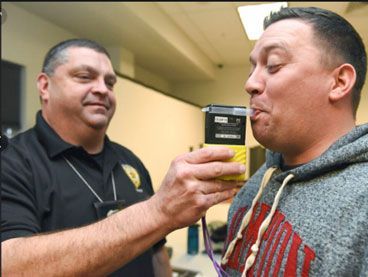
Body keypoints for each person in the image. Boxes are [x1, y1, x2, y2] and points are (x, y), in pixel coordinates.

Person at [1, 38, 246, 276]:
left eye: (110, 83)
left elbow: (156, 253)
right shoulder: (11, 161)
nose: (102, 89)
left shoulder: (129, 161)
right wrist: (158, 212)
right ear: (45, 86)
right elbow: (10, 266)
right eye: (85, 77)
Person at [221, 7, 368, 276]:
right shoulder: (262, 178)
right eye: (252, 68)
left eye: (273, 65)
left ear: (338, 82)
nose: (250, 83)